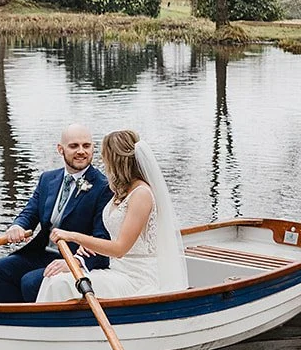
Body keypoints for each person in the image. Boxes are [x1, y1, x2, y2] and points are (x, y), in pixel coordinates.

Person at [39, 129, 189, 302]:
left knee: (61, 284)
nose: (102, 160)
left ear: (115, 159)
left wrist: (74, 237)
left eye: (104, 155)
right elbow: (113, 236)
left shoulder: (141, 194)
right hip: (116, 269)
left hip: (136, 277)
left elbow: (120, 248)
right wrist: (90, 247)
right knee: (55, 279)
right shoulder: (121, 191)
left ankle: (57, 327)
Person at [0, 124, 113, 303]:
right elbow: (30, 212)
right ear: (60, 149)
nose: (81, 151)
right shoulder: (48, 179)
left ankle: (36, 324)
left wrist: (74, 262)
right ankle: (19, 323)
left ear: (93, 148)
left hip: (74, 257)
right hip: (43, 253)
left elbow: (102, 239)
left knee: (30, 282)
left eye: (86, 146)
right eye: (74, 146)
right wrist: (18, 225)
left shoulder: (103, 187)